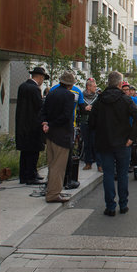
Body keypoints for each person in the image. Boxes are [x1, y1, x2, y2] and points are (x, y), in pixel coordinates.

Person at [89, 71, 137, 216]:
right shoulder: (126, 99)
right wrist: (132, 137)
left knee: (108, 174)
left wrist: (99, 133)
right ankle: (123, 205)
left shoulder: (99, 100)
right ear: (120, 84)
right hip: (123, 143)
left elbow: (91, 122)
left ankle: (110, 207)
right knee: (123, 174)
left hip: (104, 142)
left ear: (108, 83)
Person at [39, 71, 79, 203]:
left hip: (50, 135)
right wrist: (51, 124)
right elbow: (66, 116)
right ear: (70, 84)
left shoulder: (51, 93)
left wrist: (45, 123)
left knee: (51, 164)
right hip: (61, 135)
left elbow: (43, 110)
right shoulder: (69, 95)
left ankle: (51, 190)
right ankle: (54, 194)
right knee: (59, 166)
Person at [16, 66, 48, 185]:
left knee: (24, 152)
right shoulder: (34, 89)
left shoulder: (22, 86)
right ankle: (31, 176)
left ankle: (24, 175)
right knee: (33, 152)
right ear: (40, 77)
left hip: (22, 124)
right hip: (33, 125)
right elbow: (39, 106)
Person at [81, 78, 99, 171]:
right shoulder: (82, 96)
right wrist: (85, 109)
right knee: (87, 143)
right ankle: (88, 162)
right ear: (88, 87)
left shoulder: (97, 97)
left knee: (95, 143)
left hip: (94, 123)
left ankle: (99, 164)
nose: (95, 88)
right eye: (94, 86)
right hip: (84, 122)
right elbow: (78, 108)